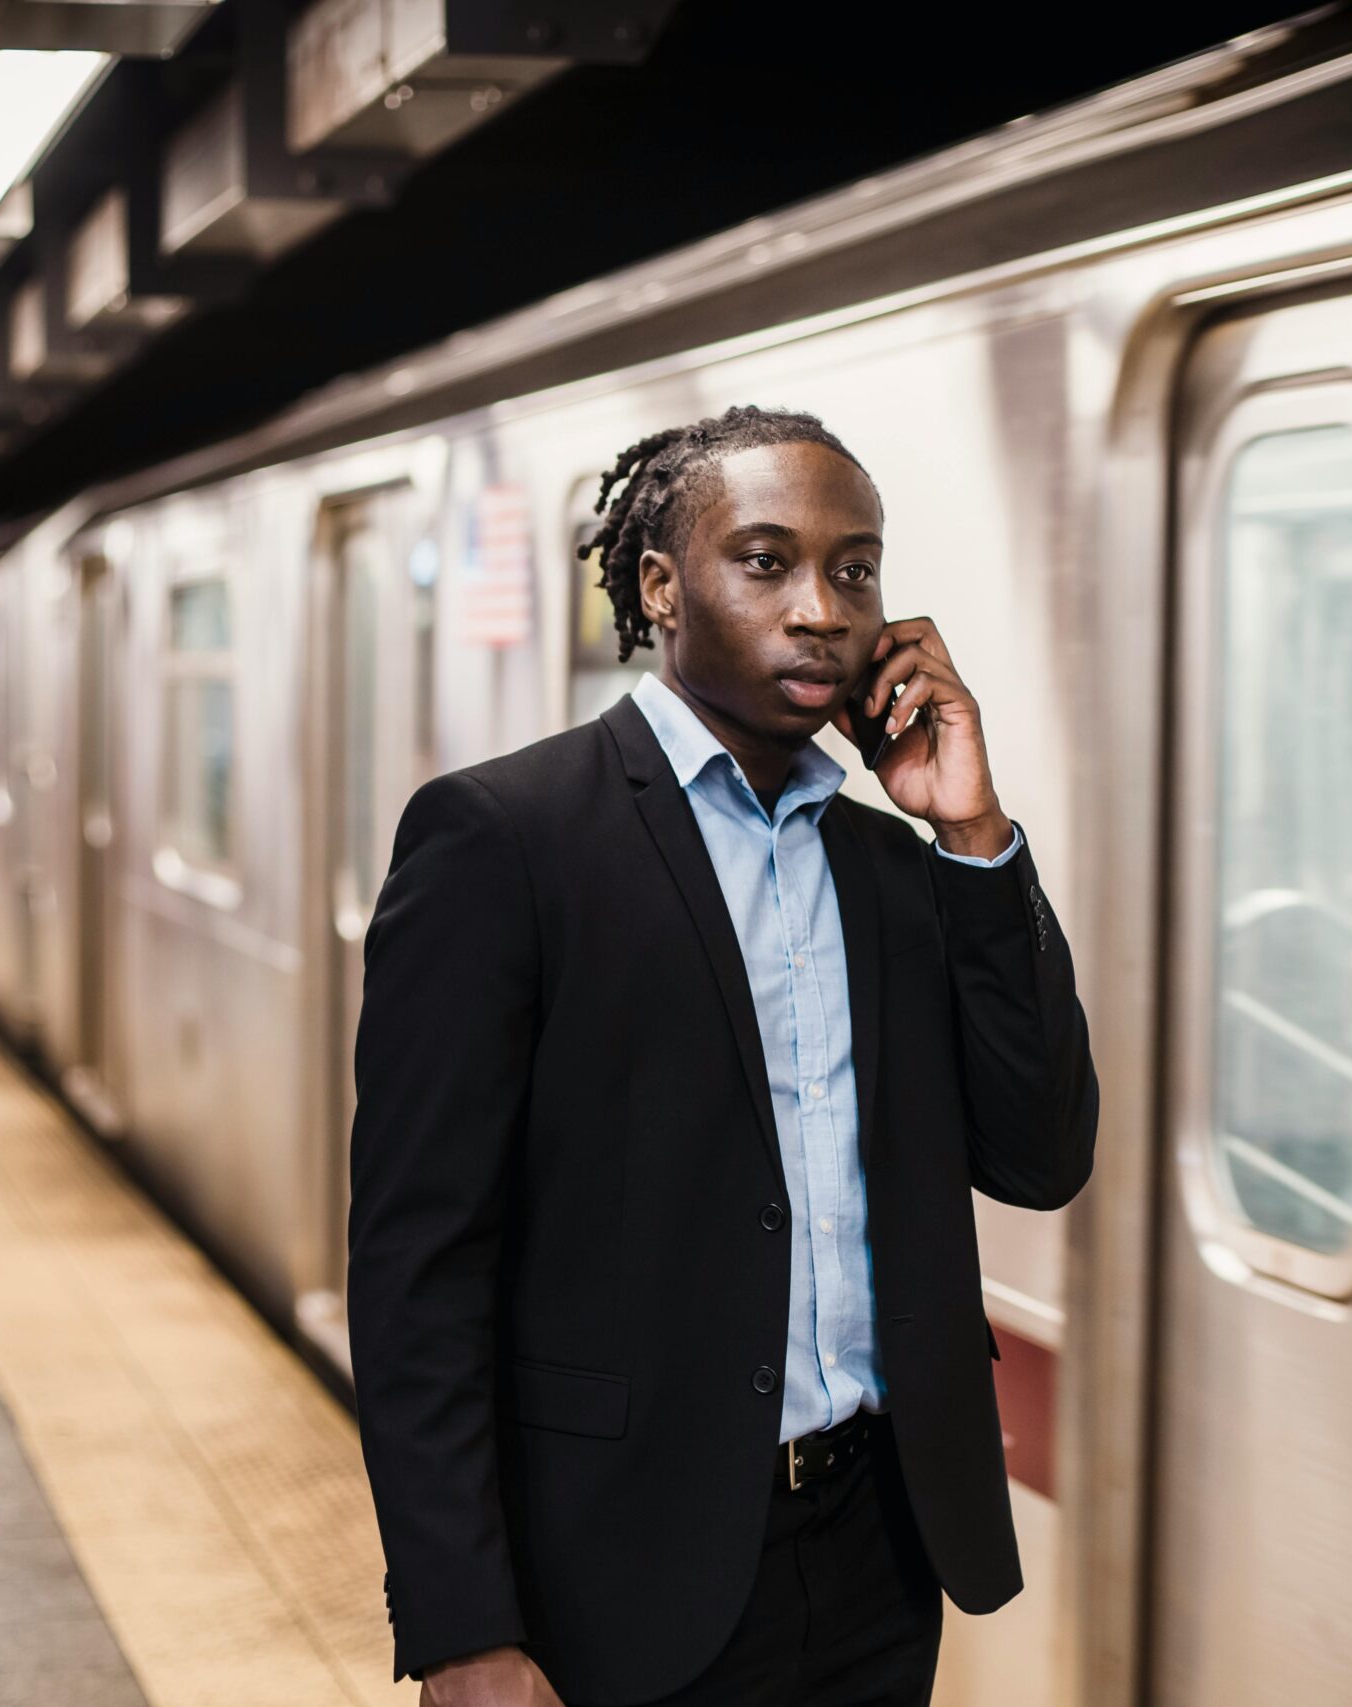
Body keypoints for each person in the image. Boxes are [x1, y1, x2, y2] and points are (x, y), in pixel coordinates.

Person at [348, 406, 1100, 1707]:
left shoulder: (894, 870)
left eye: (854, 569)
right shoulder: (506, 841)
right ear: (662, 586)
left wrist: (973, 837)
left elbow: (1040, 1155)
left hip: (879, 1548)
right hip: (622, 1564)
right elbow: (420, 1269)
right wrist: (464, 1624)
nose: (820, 607)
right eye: (766, 561)